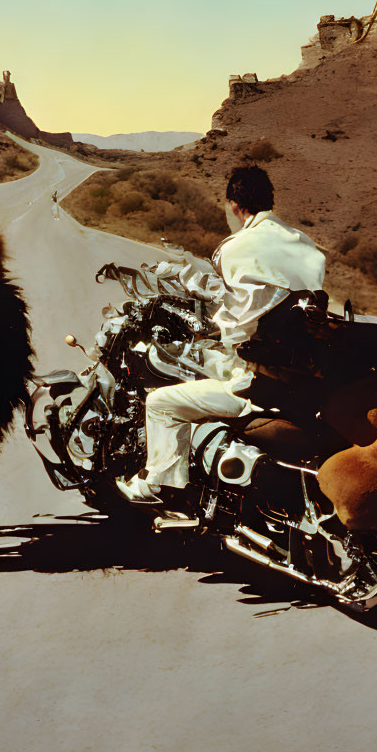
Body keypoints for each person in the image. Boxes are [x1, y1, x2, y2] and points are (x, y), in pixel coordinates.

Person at [115, 166, 325, 504]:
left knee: (160, 402)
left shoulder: (235, 247)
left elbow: (239, 315)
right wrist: (187, 276)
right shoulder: (305, 242)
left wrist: (218, 326)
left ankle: (157, 483)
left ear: (234, 206)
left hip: (262, 382)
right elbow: (262, 294)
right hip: (304, 369)